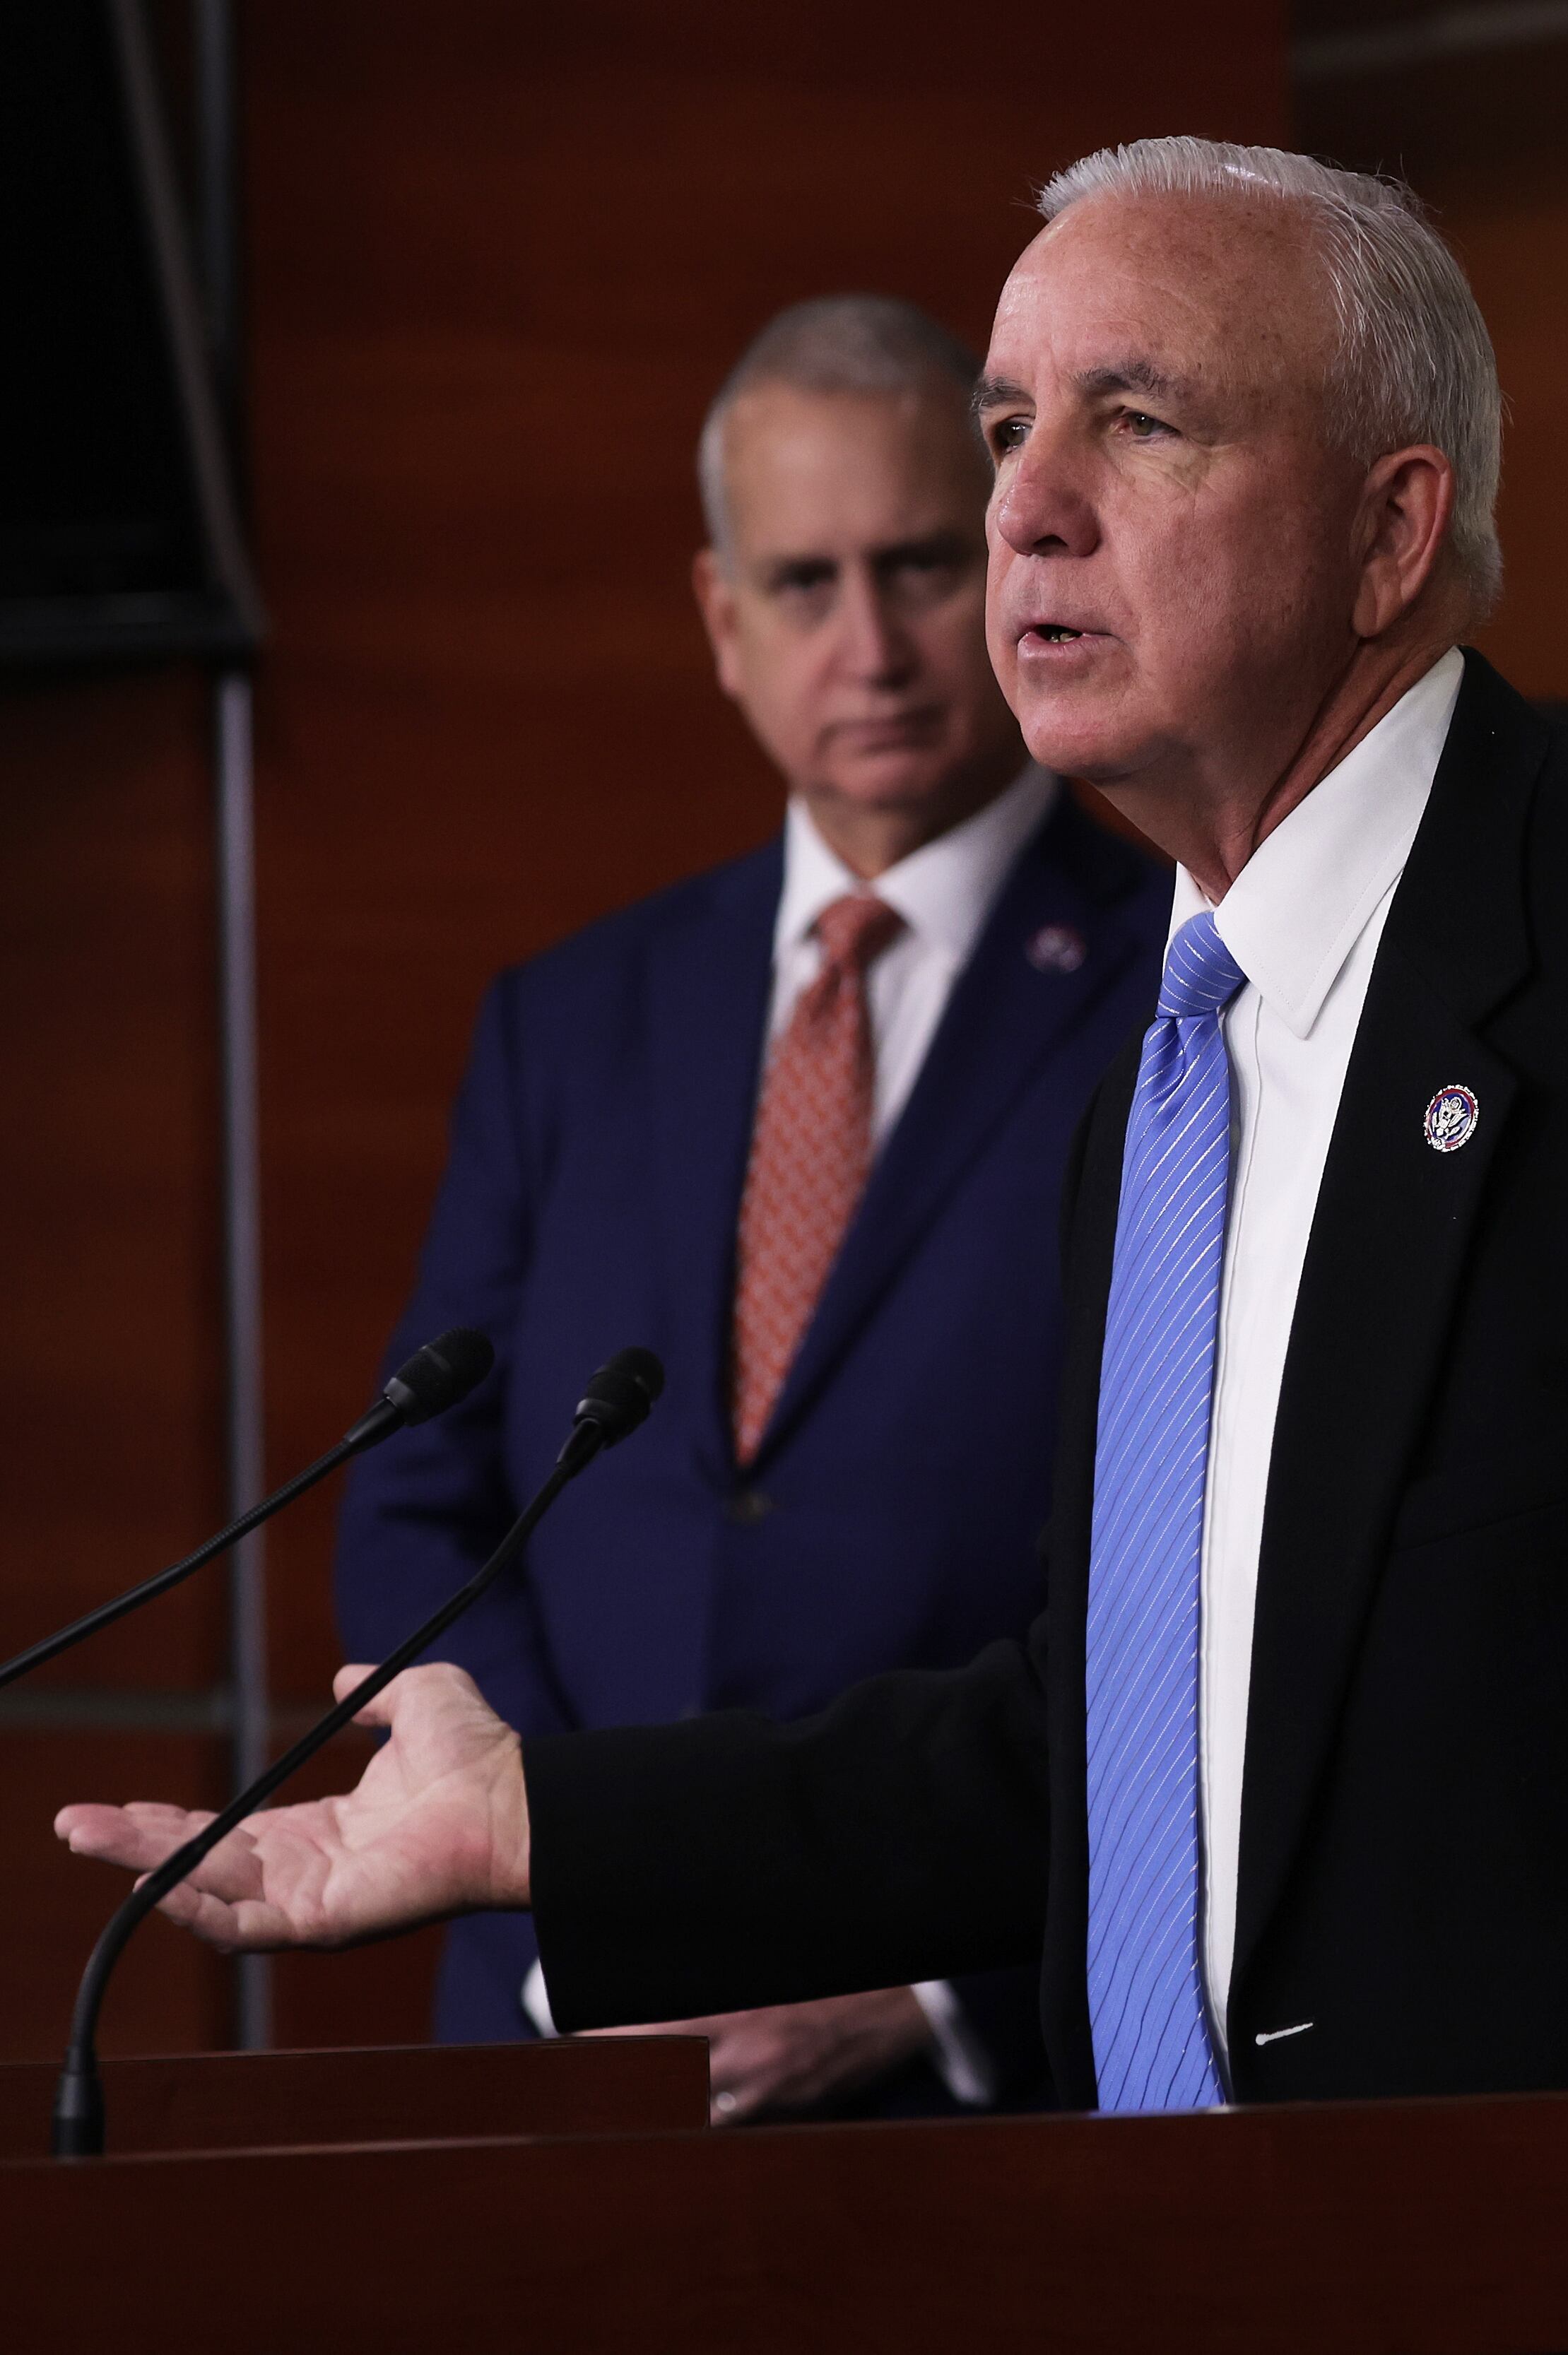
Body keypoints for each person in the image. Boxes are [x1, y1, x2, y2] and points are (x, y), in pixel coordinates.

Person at [66, 138, 1568, 2353]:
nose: (1024, 508)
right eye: (1011, 427)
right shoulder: (1172, 1069)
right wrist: (532, 1818)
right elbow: (1128, 1734)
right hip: (1237, 2265)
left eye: (1136, 424)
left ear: (1389, 529)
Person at [326, 295, 1166, 2123]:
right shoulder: (572, 1016)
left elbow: (1206, 1599)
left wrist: (951, 1991)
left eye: (923, 563)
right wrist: (584, 1906)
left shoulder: (1180, 986)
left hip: (982, 2105)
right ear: (722, 620)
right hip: (562, 2059)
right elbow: (418, 1504)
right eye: (802, 583)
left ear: (1019, 560)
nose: (867, 645)